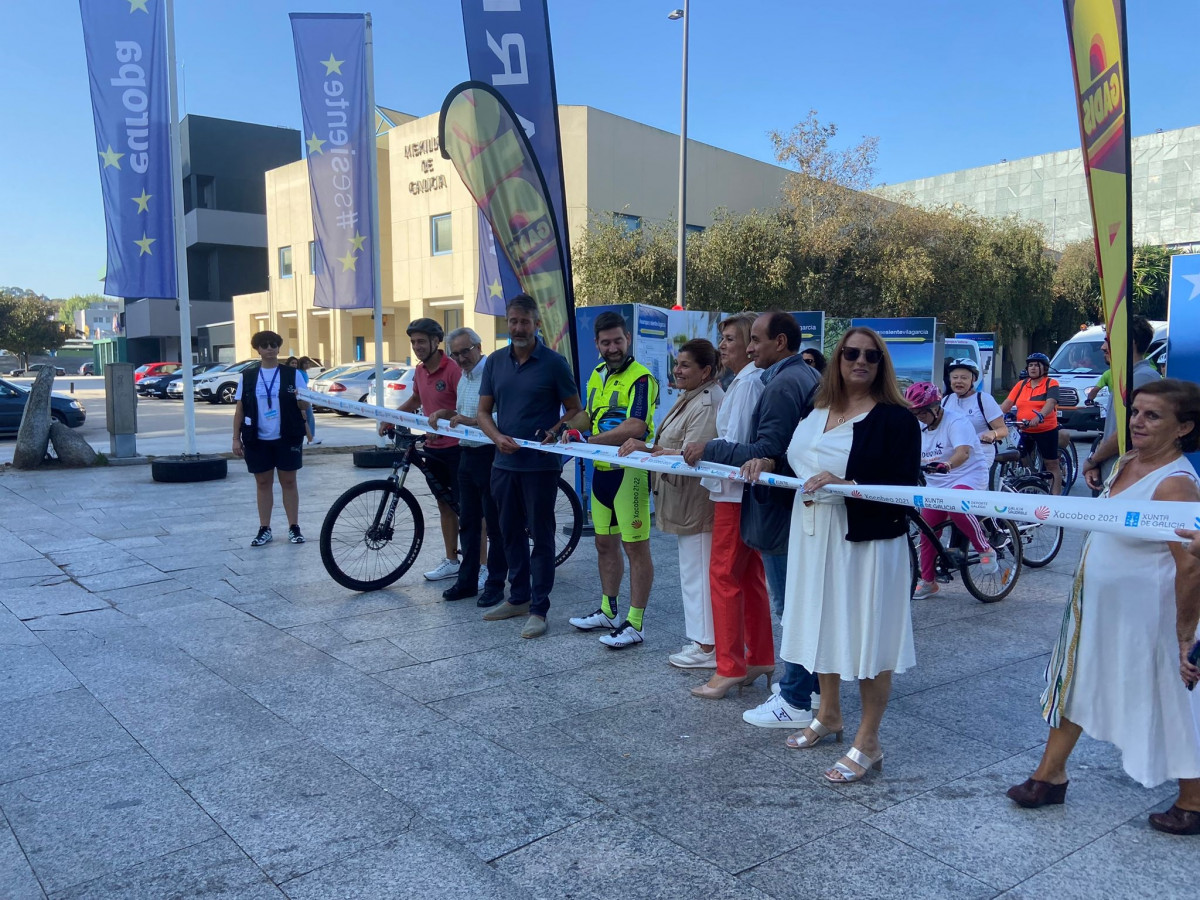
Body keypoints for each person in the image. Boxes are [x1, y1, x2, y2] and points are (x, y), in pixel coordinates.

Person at [1009, 379, 1200, 836]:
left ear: (1184, 428)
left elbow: (1190, 566)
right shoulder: (1129, 461)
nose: (1137, 422)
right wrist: (1097, 462)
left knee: (1172, 698)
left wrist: (1183, 636)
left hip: (1150, 618)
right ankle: (1049, 776)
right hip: (1099, 610)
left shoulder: (1176, 485)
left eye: (1153, 416)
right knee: (1076, 681)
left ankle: (1194, 800)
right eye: (1136, 412)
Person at [742, 327, 920, 783]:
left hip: (866, 543)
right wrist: (768, 463)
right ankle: (828, 715)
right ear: (837, 358)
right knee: (818, 623)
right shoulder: (816, 406)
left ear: (882, 365)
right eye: (850, 353)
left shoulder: (896, 418)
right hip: (812, 535)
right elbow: (798, 460)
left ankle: (869, 740)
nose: (860, 361)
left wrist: (850, 485)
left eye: (871, 356)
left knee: (868, 638)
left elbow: (905, 485)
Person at [694, 311, 822, 728]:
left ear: (780, 342)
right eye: (737, 339)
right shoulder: (782, 377)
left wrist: (707, 448)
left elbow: (762, 447)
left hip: (768, 502)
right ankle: (792, 681)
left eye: (750, 339)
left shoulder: (775, 382)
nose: (744, 348)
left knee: (781, 599)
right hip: (776, 501)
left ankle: (792, 692)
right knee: (774, 592)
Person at [476, 295, 583, 639]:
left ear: (538, 325)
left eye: (524, 322)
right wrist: (496, 437)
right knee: (507, 534)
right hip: (503, 465)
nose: (518, 328)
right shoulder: (494, 362)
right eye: (512, 321)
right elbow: (482, 413)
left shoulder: (553, 363)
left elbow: (575, 410)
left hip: (540, 466)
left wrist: (555, 431)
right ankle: (518, 598)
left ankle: (539, 608)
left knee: (541, 534)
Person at [618, 339, 723, 674]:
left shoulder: (707, 402)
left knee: (698, 574)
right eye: (677, 364)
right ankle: (702, 641)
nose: (677, 370)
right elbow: (671, 447)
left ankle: (707, 646)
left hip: (696, 503)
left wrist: (650, 450)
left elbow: (694, 454)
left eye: (686, 365)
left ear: (705, 371)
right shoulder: (690, 397)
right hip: (682, 500)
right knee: (692, 572)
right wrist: (648, 446)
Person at [678, 312, 769, 679]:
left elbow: (738, 444)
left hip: (732, 492)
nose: (724, 346)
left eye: (731, 338)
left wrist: (705, 447)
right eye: (723, 338)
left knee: (724, 577)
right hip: (734, 490)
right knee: (748, 579)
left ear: (750, 344)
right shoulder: (743, 382)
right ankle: (759, 656)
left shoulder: (746, 384)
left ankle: (729, 667)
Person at [566, 311, 659, 649]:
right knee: (603, 543)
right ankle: (608, 611)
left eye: (618, 340)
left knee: (635, 548)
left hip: (628, 473)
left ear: (628, 339)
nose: (613, 347)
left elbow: (636, 427)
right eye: (606, 342)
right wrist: (565, 428)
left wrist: (587, 442)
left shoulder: (642, 378)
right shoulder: (597, 373)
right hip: (600, 472)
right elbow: (589, 415)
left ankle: (635, 623)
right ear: (597, 345)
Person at [428, 327, 507, 607]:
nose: (461, 358)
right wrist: (444, 414)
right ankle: (467, 580)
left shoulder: (494, 372)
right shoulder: (464, 378)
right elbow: (462, 413)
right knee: (469, 522)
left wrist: (475, 422)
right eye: (455, 354)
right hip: (466, 455)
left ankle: (495, 584)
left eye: (465, 351)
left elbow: (505, 414)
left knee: (495, 524)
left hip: (490, 455)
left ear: (478, 346)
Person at [906, 381, 997, 599]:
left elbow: (963, 452)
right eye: (914, 412)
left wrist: (947, 465)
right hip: (937, 483)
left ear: (935, 408)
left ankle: (985, 548)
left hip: (967, 475)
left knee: (956, 505)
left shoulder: (956, 422)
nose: (918, 416)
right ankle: (928, 581)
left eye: (922, 412)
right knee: (927, 530)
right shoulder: (918, 425)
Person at [397, 318, 463, 583]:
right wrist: (391, 417)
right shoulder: (419, 371)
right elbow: (416, 399)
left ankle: (480, 564)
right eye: (413, 342)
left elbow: (468, 405)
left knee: (468, 508)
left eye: (421, 341)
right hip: (434, 448)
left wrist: (446, 419)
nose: (416, 346)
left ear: (436, 342)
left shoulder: (453, 369)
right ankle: (451, 560)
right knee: (445, 506)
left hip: (458, 448)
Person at [232, 330, 310, 547]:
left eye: (273, 344)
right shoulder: (247, 376)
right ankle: (264, 527)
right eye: (264, 345)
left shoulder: (292, 374)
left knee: (289, 481)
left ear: (279, 347)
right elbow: (240, 409)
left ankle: (294, 527)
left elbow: (305, 405)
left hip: (287, 436)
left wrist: (302, 399)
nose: (269, 349)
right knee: (263, 482)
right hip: (257, 437)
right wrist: (235, 438)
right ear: (257, 349)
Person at [1083, 317, 1163, 490]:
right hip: (1115, 473)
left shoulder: (1142, 377)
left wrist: (1093, 460)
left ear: (1129, 342)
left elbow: (1126, 430)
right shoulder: (1126, 376)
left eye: (1108, 342)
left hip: (1128, 478)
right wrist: (1098, 463)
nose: (1103, 347)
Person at [1000, 352, 1062, 494]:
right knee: (1022, 461)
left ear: (1044, 368)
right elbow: (1007, 403)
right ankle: (1029, 484)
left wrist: (1039, 416)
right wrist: (995, 417)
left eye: (1037, 365)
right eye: (1030, 365)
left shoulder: (1051, 383)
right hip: (1024, 428)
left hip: (1045, 429)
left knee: (1051, 464)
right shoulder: (1021, 384)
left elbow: (1051, 402)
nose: (1033, 368)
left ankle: (1056, 499)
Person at [942, 358, 1008, 445]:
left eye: (964, 378)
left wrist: (993, 433)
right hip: (954, 453)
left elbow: (1003, 430)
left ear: (973, 380)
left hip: (980, 453)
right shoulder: (946, 400)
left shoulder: (983, 399)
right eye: (955, 377)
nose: (958, 381)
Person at [298, 357, 323, 445]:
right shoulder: (299, 372)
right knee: (309, 417)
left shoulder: (304, 372)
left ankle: (311, 436)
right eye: (305, 363)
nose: (307, 365)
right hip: (302, 397)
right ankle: (311, 437)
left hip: (306, 395)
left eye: (308, 363)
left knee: (309, 417)